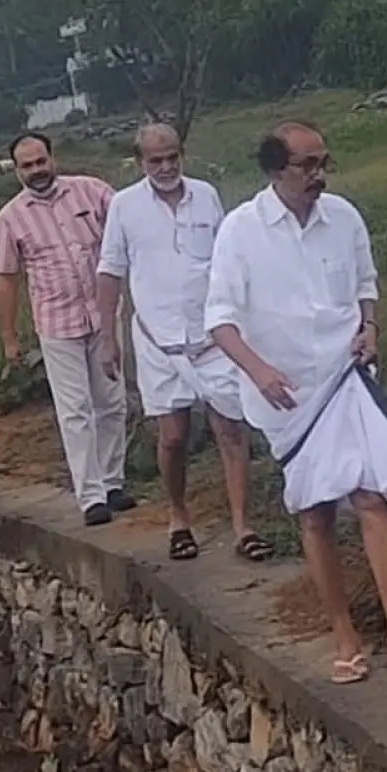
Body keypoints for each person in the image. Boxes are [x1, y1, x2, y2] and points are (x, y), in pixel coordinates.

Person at [205, 121, 387, 686]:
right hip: (287, 394)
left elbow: (366, 285)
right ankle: (344, 636)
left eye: (322, 163)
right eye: (305, 166)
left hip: (346, 375)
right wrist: (258, 371)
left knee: (372, 496)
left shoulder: (345, 217)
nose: (318, 176)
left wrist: (371, 328)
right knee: (315, 511)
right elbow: (219, 320)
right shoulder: (241, 229)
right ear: (275, 169)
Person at [94, 123, 267, 563]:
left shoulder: (206, 195)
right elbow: (110, 271)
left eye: (173, 157)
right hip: (158, 341)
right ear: (140, 162)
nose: (167, 167)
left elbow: (230, 259)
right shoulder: (124, 206)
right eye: (156, 160)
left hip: (212, 336)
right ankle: (178, 516)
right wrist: (108, 339)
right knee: (172, 436)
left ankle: (243, 526)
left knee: (230, 427)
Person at [0, 132, 133, 526]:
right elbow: (6, 278)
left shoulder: (92, 191)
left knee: (112, 400)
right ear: (16, 171)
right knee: (75, 411)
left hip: (103, 315)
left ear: (52, 159)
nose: (36, 171)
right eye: (27, 166)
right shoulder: (11, 217)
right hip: (58, 324)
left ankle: (113, 482)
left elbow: (128, 228)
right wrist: (9, 339)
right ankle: (91, 498)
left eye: (41, 162)